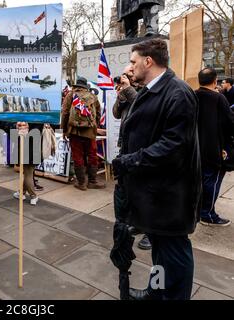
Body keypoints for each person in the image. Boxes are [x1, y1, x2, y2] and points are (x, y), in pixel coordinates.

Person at [112, 39, 201, 300]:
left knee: (174, 253)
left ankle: (173, 296)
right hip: (156, 195)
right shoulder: (153, 90)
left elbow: (173, 147)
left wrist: (129, 161)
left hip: (171, 198)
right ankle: (158, 289)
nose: (130, 67)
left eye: (132, 61)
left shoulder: (178, 93)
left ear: (148, 61)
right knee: (160, 252)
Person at [113, 65, 152, 251]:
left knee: (147, 190)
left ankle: (150, 233)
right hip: (127, 145)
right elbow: (115, 113)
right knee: (130, 188)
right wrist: (121, 96)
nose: (128, 76)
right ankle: (137, 222)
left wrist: (128, 89)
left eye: (129, 74)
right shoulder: (127, 92)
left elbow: (142, 108)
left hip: (143, 147)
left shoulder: (147, 90)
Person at [196, 68, 234, 227]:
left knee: (202, 181)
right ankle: (208, 214)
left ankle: (200, 211)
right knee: (213, 181)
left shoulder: (192, 95)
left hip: (196, 148)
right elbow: (230, 124)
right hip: (215, 149)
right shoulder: (219, 98)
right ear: (215, 80)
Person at [61, 77, 106, 191]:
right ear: (85, 86)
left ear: (76, 85)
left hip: (74, 131)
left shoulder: (70, 95)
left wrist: (65, 130)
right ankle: (92, 181)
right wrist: (94, 126)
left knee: (78, 156)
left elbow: (65, 113)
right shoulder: (92, 96)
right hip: (90, 131)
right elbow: (98, 114)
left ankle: (81, 183)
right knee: (92, 155)